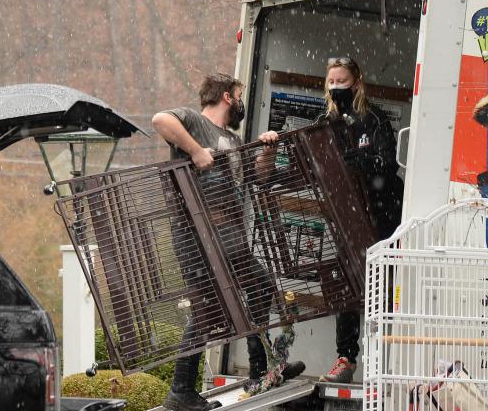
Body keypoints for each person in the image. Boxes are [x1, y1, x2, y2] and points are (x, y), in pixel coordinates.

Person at [153, 73, 303, 411]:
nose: (241, 102)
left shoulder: (234, 140)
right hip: (196, 236)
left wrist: (268, 149)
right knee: (206, 310)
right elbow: (159, 120)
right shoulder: (194, 122)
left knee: (261, 287)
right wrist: (194, 151)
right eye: (239, 95)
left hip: (229, 238)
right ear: (226, 97)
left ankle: (261, 371)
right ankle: (180, 391)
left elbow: (259, 177)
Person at [318, 56, 404, 384]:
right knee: (348, 287)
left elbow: (388, 162)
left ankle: (385, 362)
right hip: (347, 216)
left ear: (356, 82)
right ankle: (345, 359)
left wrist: (364, 161)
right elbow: (316, 162)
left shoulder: (374, 117)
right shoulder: (325, 121)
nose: (337, 87)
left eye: (342, 81)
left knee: (382, 286)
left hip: (383, 213)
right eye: (332, 82)